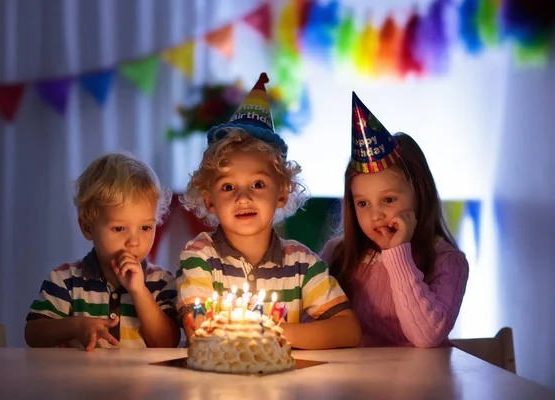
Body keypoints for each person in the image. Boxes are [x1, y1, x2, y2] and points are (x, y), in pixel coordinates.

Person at [176, 73, 362, 350]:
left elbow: (348, 330)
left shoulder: (301, 263)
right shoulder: (200, 256)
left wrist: (274, 331)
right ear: (210, 200)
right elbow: (197, 331)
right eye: (228, 187)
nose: (243, 197)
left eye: (258, 184)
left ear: (283, 194)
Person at [321, 92, 469, 348]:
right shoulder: (337, 254)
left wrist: (398, 254)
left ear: (419, 194)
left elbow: (426, 336)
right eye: (363, 203)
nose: (375, 215)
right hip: (355, 383)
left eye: (388, 200)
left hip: (421, 385)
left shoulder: (448, 262)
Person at [25, 153, 180, 350]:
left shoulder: (161, 282)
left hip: (141, 381)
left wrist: (139, 291)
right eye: (119, 228)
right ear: (87, 228)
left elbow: (167, 342)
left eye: (145, 228)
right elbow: (33, 335)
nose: (134, 241)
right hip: (81, 380)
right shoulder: (64, 280)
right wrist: (76, 326)